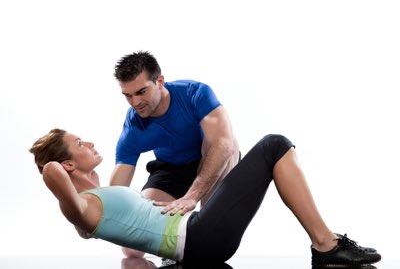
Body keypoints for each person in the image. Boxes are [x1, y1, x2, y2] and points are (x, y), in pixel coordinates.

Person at [30, 129, 381, 267]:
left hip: (195, 235)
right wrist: (54, 164)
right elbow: (52, 174)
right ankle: (325, 245)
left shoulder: (100, 197)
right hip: (199, 238)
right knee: (274, 145)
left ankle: (325, 244)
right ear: (68, 163)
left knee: (229, 150)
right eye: (80, 144)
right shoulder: (84, 209)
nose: (89, 142)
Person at [110, 51, 239, 216]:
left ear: (160, 81)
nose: (135, 102)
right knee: (144, 217)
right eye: (128, 96)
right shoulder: (134, 126)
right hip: (171, 170)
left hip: (209, 158)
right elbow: (117, 186)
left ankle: (208, 220)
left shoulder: (194, 93)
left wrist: (191, 197)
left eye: (142, 92)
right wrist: (91, 216)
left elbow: (225, 145)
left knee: (224, 143)